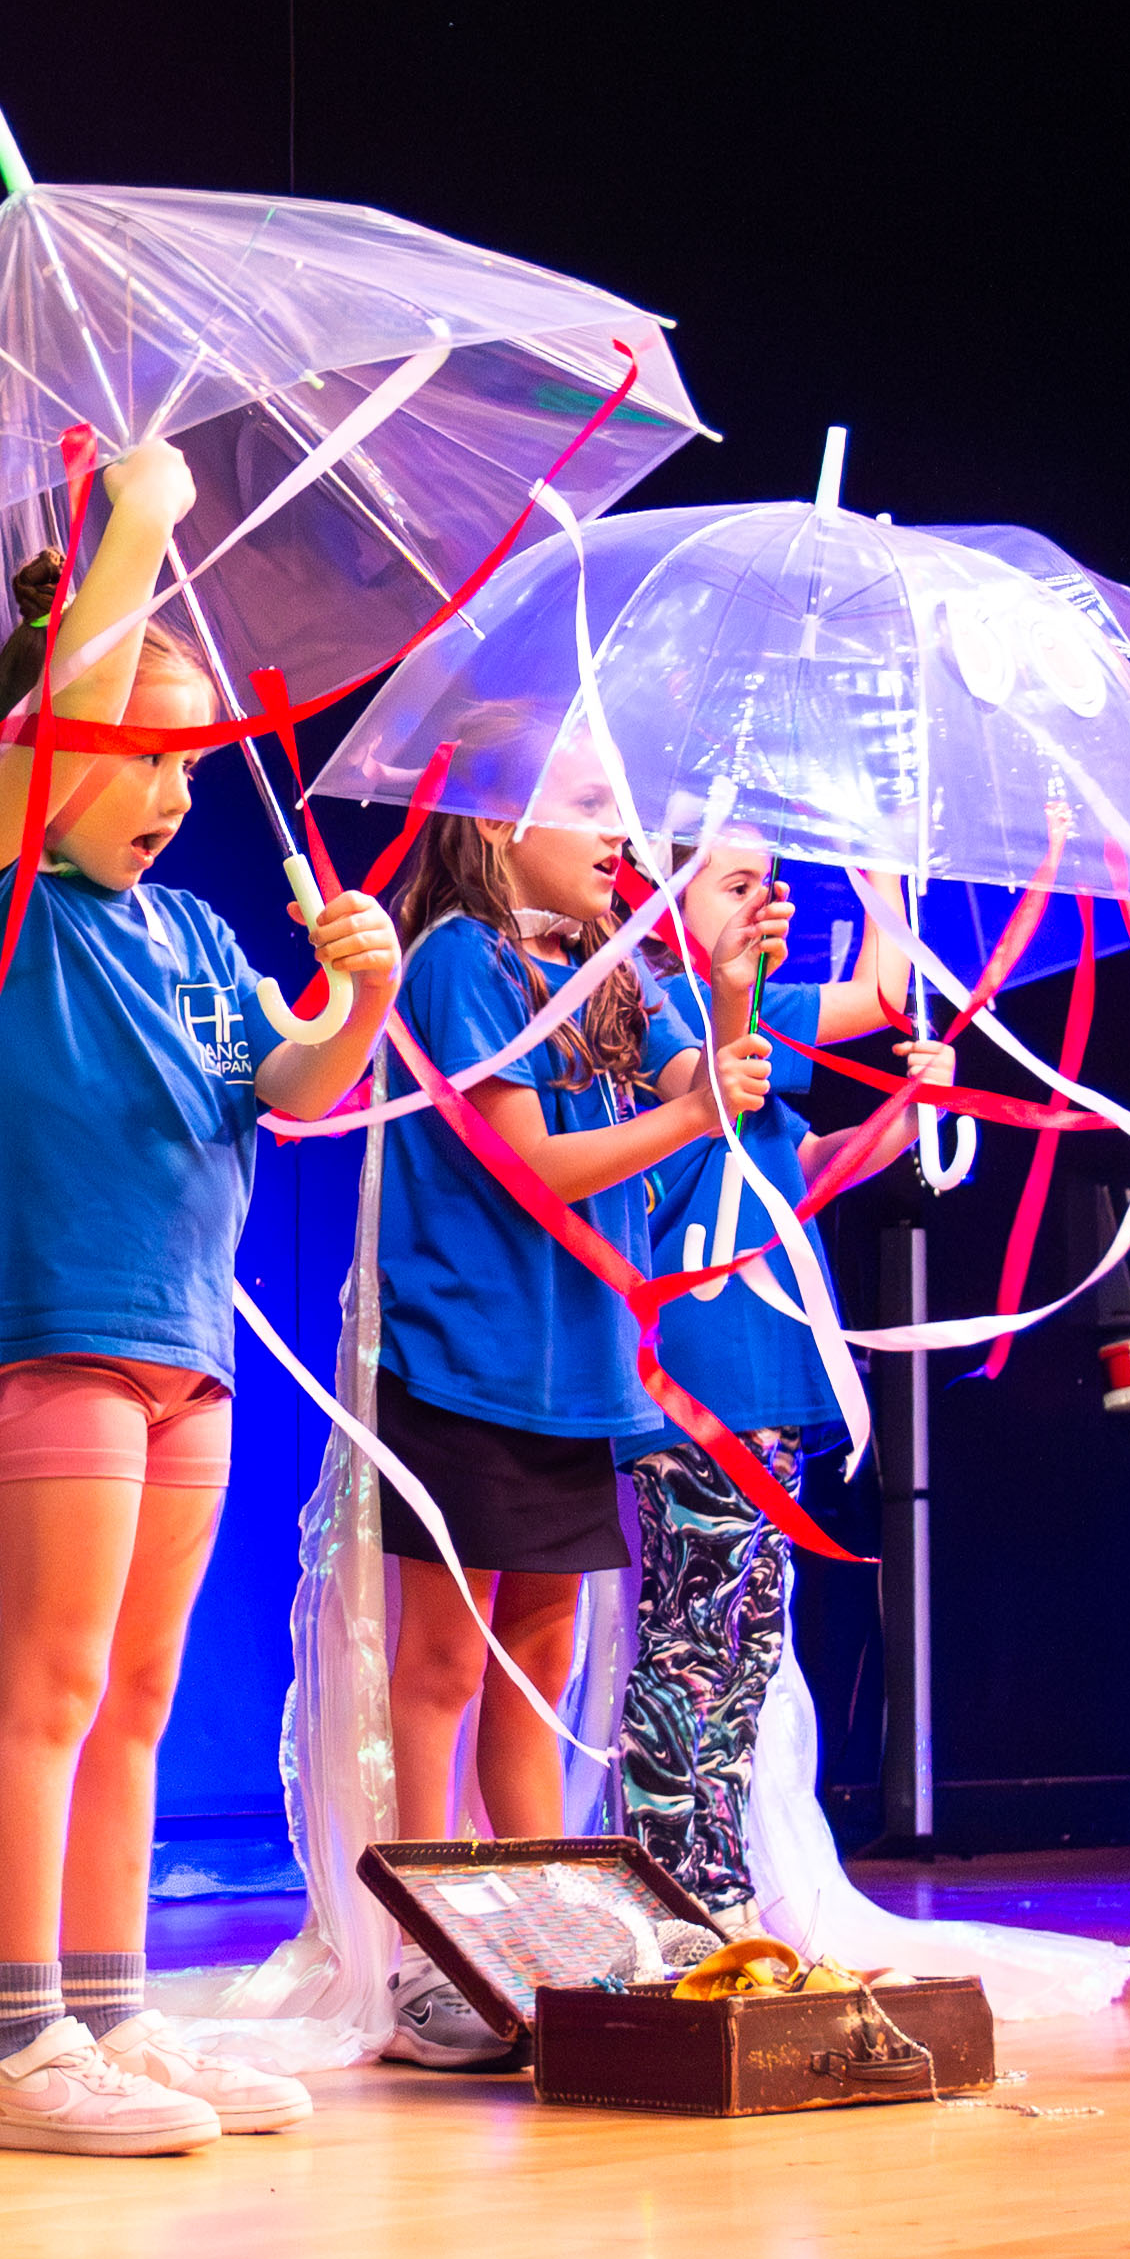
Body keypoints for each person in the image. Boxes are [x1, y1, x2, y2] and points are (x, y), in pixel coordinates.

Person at [0, 437, 403, 2155]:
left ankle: (111, 2013)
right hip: (62, 1334)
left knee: (135, 1692)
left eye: (193, 756)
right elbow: (55, 731)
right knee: (49, 1682)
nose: (177, 785)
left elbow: (293, 1087)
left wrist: (353, 1002)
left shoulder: (189, 931)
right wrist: (140, 524)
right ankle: (14, 2042)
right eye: (144, 748)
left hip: (186, 1350)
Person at [364, 735, 770, 2068]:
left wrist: (730, 989)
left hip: (576, 1378)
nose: (617, 836)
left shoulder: (609, 966)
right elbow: (527, 1162)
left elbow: (701, 1081)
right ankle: (420, 1963)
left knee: (536, 1672)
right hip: (466, 1364)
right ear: (495, 820)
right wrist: (694, 1114)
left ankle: (535, 1953)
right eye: (590, 805)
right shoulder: (458, 961)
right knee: (442, 1665)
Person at [618, 835, 944, 1909]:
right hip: (698, 1371)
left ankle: (715, 1882)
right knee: (694, 1634)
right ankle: (676, 1887)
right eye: (735, 884)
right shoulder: (651, 1009)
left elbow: (804, 1161)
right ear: (662, 895)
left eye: (771, 882)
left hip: (767, 1370)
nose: (766, 902)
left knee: (747, 1638)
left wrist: (905, 1112)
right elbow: (868, 999)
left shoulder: (750, 1016)